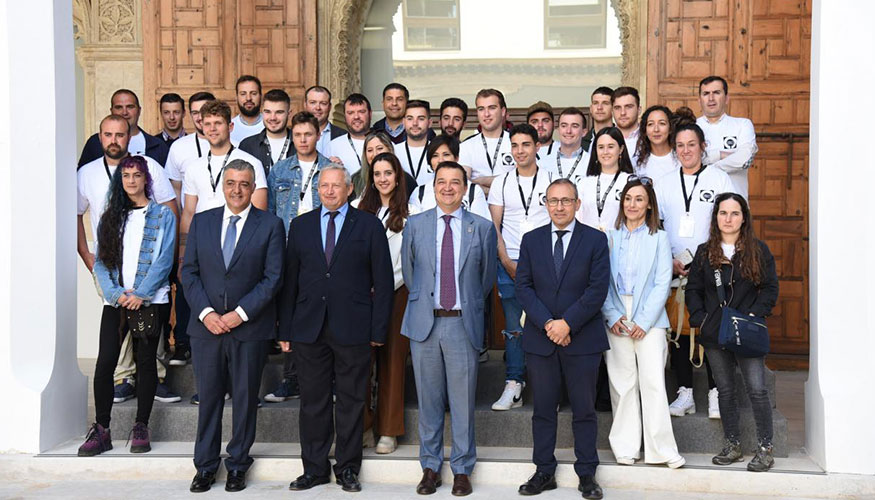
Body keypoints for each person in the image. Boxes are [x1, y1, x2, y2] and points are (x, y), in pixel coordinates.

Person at [279, 165, 394, 493]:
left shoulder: (369, 225)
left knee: (351, 401)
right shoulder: (300, 227)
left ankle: (347, 468)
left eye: (336, 186)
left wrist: (378, 330)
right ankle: (314, 468)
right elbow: (290, 283)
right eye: (324, 186)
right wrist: (285, 329)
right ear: (318, 190)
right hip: (308, 329)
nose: (329, 191)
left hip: (354, 329)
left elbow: (383, 282)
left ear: (349, 190)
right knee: (312, 402)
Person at [182, 160, 286, 493]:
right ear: (222, 186)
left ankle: (238, 464)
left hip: (249, 329)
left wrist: (238, 314)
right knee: (209, 399)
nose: (237, 190)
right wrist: (207, 314)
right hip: (206, 329)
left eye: (244, 184)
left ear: (253, 187)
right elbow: (190, 274)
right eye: (231, 183)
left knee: (244, 399)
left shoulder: (270, 225)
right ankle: (206, 466)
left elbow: (273, 279)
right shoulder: (202, 222)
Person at [401, 161, 497, 496]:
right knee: (428, 402)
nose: (447, 188)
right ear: (433, 185)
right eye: (441, 181)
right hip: (425, 324)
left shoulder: (482, 228)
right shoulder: (414, 225)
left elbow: (484, 282)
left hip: (461, 324)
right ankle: (429, 467)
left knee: (462, 403)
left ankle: (462, 469)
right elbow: (412, 276)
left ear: (465, 188)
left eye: (455, 182)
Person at [514, 178, 610, 500]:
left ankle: (587, 474)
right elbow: (523, 288)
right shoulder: (531, 240)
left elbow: (597, 290)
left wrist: (567, 324)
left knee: (584, 409)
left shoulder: (596, 240)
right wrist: (549, 325)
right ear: (545, 203)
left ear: (577, 203)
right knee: (543, 409)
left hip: (582, 339)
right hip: (541, 340)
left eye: (566, 201)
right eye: (553, 200)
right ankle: (544, 471)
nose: (559, 206)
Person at [77, 115, 180, 405]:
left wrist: (144, 290)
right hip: (112, 275)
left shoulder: (152, 170)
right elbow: (77, 218)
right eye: (107, 134)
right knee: (111, 346)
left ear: (128, 138)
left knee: (148, 344)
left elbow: (168, 221)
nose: (113, 140)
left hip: (148, 282)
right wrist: (90, 259)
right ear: (100, 138)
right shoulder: (88, 175)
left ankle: (154, 380)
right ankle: (123, 379)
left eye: (119, 134)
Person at [686, 192, 779, 472]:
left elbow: (771, 288)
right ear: (716, 217)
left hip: (746, 332)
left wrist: (754, 314)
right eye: (723, 213)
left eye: (735, 213)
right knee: (725, 391)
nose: (728, 219)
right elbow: (693, 290)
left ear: (744, 218)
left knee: (757, 390)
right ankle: (733, 445)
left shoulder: (758, 250)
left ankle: (765, 448)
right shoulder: (705, 252)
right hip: (715, 332)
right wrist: (701, 319)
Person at [654, 114, 734, 419]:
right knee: (679, 331)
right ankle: (685, 392)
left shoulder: (719, 179)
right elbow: (656, 226)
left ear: (703, 146)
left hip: (711, 266)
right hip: (675, 267)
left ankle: (715, 392)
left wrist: (716, 256)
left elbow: (731, 220)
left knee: (712, 331)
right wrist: (667, 261)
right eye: (680, 146)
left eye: (692, 144)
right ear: (675, 150)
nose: (686, 150)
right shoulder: (664, 184)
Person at [601, 177, 685, 469]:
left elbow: (663, 282)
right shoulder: (609, 237)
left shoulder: (659, 237)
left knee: (652, 382)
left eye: (639, 199)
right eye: (628, 199)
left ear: (649, 204)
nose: (632, 204)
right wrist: (613, 315)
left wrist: (643, 320)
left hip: (650, 316)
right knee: (622, 384)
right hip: (616, 314)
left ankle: (661, 449)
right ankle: (625, 446)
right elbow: (601, 282)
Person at [262, 111, 332, 404]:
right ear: (292, 137)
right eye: (299, 135)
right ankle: (291, 379)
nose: (304, 140)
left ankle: (326, 379)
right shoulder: (279, 170)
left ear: (318, 135)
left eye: (309, 134)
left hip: (321, 251)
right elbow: (271, 214)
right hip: (288, 249)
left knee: (321, 311)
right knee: (290, 312)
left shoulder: (330, 170)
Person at [488, 124, 554, 411]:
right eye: (514, 145)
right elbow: (495, 227)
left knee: (546, 323)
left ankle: (546, 385)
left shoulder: (552, 179)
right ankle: (514, 383)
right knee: (514, 328)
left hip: (546, 264)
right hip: (510, 263)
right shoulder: (501, 182)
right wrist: (505, 260)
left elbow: (559, 222)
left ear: (537, 147)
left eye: (525, 145)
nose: (520, 151)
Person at [352, 153, 411, 455]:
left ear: (398, 177)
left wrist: (385, 285)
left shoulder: (411, 213)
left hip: (397, 294)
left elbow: (407, 262)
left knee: (391, 362)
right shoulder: (357, 211)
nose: (383, 179)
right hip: (360, 296)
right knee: (360, 364)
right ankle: (362, 427)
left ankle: (389, 430)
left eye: (389, 173)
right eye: (377, 173)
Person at [164, 91, 215, 367]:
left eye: (205, 110)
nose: (200, 116)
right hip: (191, 225)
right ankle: (182, 343)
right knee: (186, 284)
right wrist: (180, 241)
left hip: (222, 230)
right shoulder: (180, 148)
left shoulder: (232, 144)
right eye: (194, 111)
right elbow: (175, 191)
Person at [697, 76, 758, 200]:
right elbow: (686, 159)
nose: (711, 98)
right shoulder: (691, 128)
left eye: (716, 93)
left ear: (726, 98)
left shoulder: (742, 125)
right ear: (699, 100)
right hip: (702, 204)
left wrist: (708, 166)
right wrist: (722, 154)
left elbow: (744, 159)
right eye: (706, 94)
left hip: (735, 204)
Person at [78, 89, 169, 167]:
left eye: (130, 107)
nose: (124, 112)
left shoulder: (158, 146)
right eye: (119, 107)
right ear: (111, 111)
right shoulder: (95, 142)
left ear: (139, 110)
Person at [409, 134, 490, 221]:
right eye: (435, 156)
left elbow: (482, 227)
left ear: (456, 158)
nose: (440, 160)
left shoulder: (473, 191)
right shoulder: (419, 193)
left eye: (446, 154)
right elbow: (416, 228)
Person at [576, 127, 633, 231]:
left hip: (620, 242)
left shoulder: (629, 182)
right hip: (589, 242)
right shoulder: (584, 183)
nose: (605, 152)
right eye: (601, 147)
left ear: (621, 149)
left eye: (610, 147)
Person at [459, 89, 515, 194]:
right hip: (478, 207)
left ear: (503, 111)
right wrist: (500, 185)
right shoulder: (466, 146)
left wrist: (480, 181)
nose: (486, 114)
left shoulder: (516, 142)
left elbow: (520, 180)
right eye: (481, 109)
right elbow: (464, 183)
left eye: (492, 108)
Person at [239, 88, 296, 175]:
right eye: (268, 112)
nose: (273, 118)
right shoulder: (247, 145)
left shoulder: (300, 144)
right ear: (262, 112)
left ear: (289, 114)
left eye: (279, 112)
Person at [351, 130, 416, 200]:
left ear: (390, 149)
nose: (375, 154)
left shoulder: (406, 180)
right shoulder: (355, 179)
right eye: (370, 150)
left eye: (379, 148)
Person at [328, 93, 372, 176]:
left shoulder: (382, 143)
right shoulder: (333, 146)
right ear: (344, 116)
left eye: (361, 112)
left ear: (370, 114)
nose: (356, 117)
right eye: (350, 113)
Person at [394, 99, 433, 186]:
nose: (415, 123)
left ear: (429, 123)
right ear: (404, 122)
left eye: (421, 119)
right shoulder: (394, 151)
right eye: (410, 118)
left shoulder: (438, 151)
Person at [634, 105, 679, 179]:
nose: (656, 129)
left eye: (662, 123)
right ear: (645, 130)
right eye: (650, 124)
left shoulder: (680, 157)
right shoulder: (638, 162)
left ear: (670, 128)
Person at [304, 85, 346, 156]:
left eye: (323, 103)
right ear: (305, 105)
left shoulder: (344, 136)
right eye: (313, 102)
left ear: (329, 107)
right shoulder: (292, 136)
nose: (318, 108)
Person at [551, 107, 590, 184]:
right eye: (564, 126)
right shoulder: (543, 164)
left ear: (584, 132)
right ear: (558, 130)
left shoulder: (592, 163)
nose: (568, 131)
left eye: (574, 126)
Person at [230, 75, 264, 146]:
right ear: (236, 97)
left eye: (253, 93)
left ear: (261, 96)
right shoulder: (229, 128)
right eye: (243, 94)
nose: (248, 98)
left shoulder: (271, 125)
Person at [611, 87, 642, 165]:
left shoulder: (650, 137)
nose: (623, 113)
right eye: (617, 108)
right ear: (612, 111)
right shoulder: (603, 139)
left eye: (628, 107)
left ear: (639, 110)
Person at [581, 86, 614, 153]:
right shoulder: (581, 144)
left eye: (605, 103)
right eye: (595, 103)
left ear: (613, 108)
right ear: (591, 108)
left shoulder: (621, 139)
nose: (599, 107)